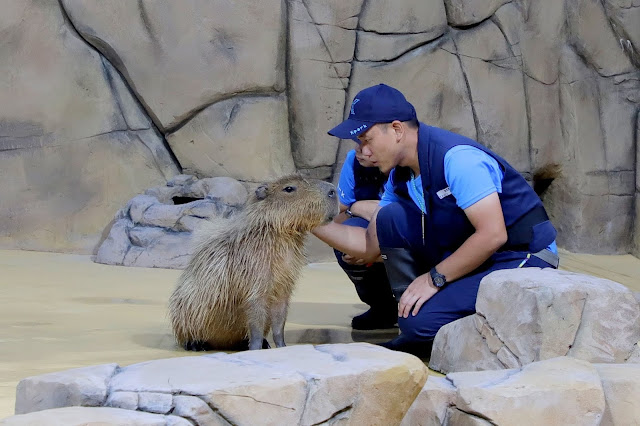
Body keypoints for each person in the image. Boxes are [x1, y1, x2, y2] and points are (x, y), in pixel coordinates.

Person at [313, 83, 559, 357]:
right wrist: (308, 221)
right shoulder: (401, 175)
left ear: (396, 129)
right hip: (475, 256)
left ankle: (426, 325)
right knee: (390, 218)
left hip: (520, 257)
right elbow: (371, 244)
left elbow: (493, 235)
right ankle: (416, 313)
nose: (363, 152)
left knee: (419, 324)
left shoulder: (457, 159)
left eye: (366, 140)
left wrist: (433, 279)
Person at [334, 145, 397, 330]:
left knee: (421, 326)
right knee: (345, 241)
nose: (359, 148)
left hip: (408, 234)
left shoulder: (409, 164)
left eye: (368, 141)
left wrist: (375, 250)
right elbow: (340, 212)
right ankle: (383, 307)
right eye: (358, 141)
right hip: (377, 228)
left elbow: (407, 215)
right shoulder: (354, 159)